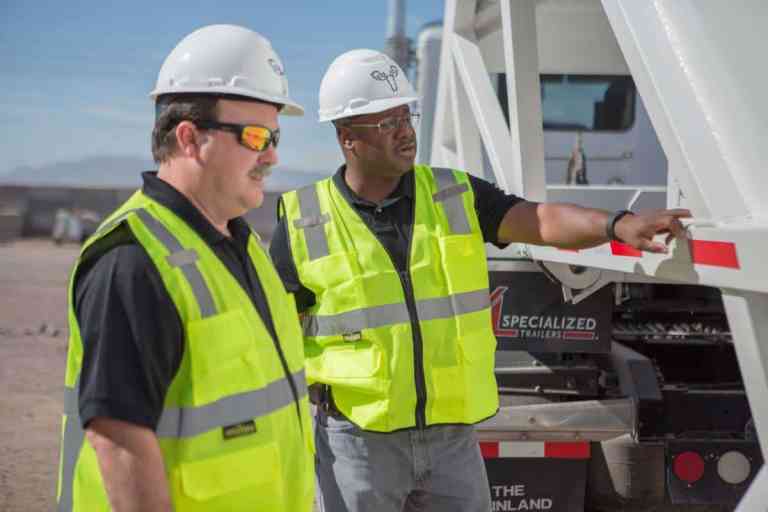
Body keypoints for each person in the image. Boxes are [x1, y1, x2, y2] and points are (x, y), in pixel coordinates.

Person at [269, 49, 690, 512]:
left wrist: (617, 224)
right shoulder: (304, 219)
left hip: (451, 441)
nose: (405, 131)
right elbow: (277, 336)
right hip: (358, 443)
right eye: (387, 122)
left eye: (406, 116)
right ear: (348, 137)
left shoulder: (454, 193)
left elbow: (540, 220)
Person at [56, 25, 314, 511]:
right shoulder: (134, 261)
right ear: (190, 138)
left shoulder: (244, 248)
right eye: (256, 136)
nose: (273, 155)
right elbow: (118, 441)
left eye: (275, 137)